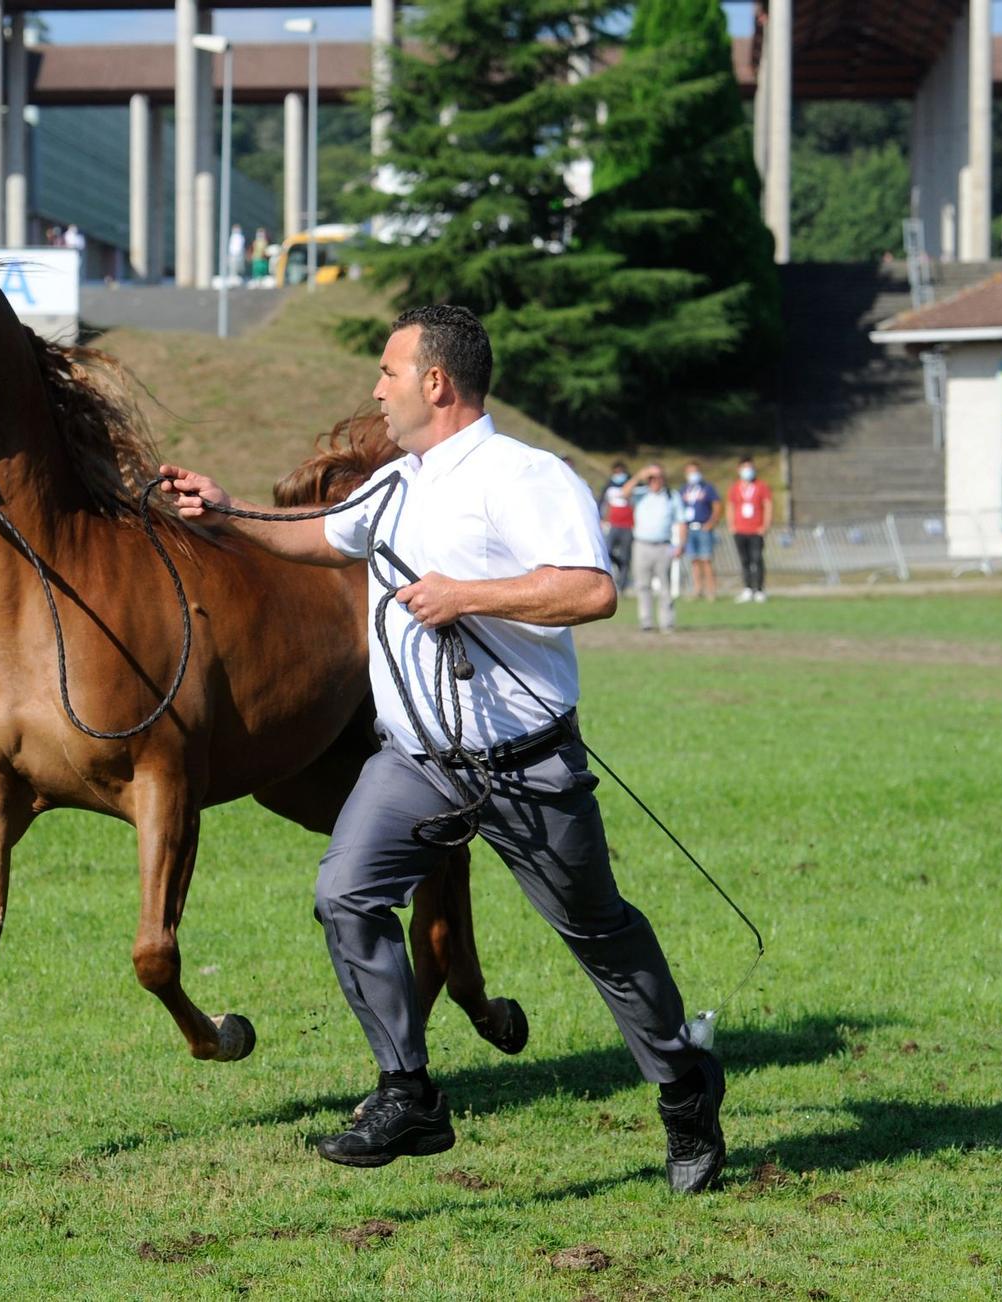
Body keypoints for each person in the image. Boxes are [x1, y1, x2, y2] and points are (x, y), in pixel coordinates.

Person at [159, 304, 725, 1193]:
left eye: (388, 373)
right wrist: (227, 512)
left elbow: (590, 591)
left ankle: (685, 1090)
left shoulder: (525, 476)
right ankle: (409, 1091)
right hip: (416, 761)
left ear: (436, 382)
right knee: (344, 895)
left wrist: (467, 594)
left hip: (527, 763)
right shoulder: (396, 485)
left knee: (599, 934)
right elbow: (316, 538)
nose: (375, 391)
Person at [630, 464, 687, 633]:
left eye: (658, 477)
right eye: (651, 478)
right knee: (643, 585)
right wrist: (640, 474)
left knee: (665, 586)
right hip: (641, 544)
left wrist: (681, 544)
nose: (655, 481)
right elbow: (623, 493)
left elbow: (681, 522)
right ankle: (646, 621)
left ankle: (667, 622)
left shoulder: (671, 496)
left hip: (663, 545)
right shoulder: (640, 494)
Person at [725, 456, 773, 603]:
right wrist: (731, 525)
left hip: (756, 530)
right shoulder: (735, 487)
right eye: (745, 468)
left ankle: (759, 589)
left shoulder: (761, 486)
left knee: (757, 559)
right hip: (740, 529)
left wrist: (765, 525)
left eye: (750, 468)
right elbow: (730, 506)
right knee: (744, 560)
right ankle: (747, 588)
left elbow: (768, 505)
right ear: (739, 470)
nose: (748, 471)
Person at [679, 460, 721, 601]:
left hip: (703, 528)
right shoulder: (684, 490)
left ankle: (711, 591)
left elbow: (717, 506)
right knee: (694, 561)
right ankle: (697, 589)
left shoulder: (707, 488)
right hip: (690, 528)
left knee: (706, 560)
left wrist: (711, 523)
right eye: (690, 472)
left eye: (695, 471)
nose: (693, 475)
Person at [599, 461, 635, 591]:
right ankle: (609, 578)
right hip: (613, 525)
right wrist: (602, 519)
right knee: (606, 552)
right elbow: (603, 503)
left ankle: (623, 585)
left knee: (626, 557)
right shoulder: (609, 486)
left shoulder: (632, 486)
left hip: (627, 525)